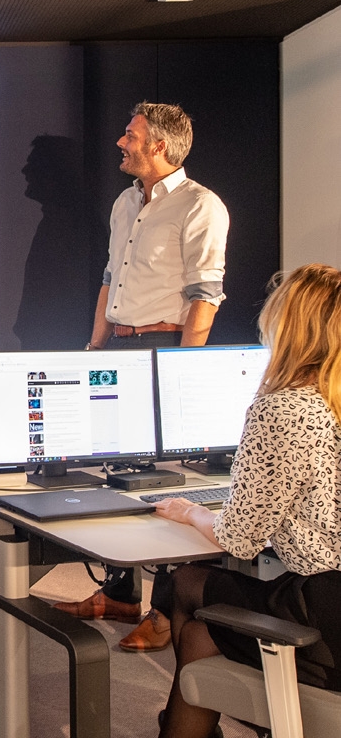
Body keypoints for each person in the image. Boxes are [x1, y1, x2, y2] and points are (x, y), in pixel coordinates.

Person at [111, 263, 341, 738]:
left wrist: (191, 512)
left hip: (323, 622)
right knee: (191, 585)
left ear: (289, 326)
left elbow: (240, 538)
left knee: (196, 622)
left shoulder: (287, 408)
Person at [54, 102, 229, 652]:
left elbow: (206, 293)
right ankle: (121, 592)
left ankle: (161, 611)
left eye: (130, 135)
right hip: (119, 348)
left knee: (167, 479)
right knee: (116, 469)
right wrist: (94, 347)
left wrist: (184, 367)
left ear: (158, 146)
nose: (120, 142)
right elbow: (111, 278)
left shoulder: (201, 206)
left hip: (165, 347)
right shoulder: (126, 201)